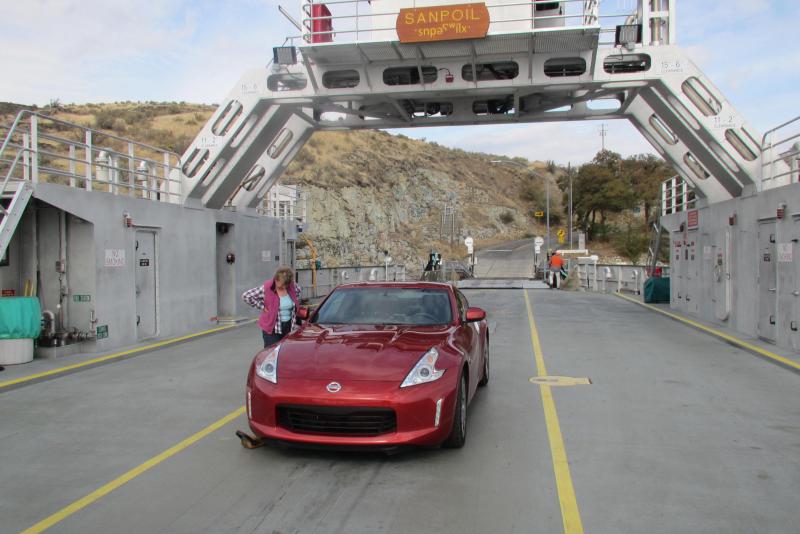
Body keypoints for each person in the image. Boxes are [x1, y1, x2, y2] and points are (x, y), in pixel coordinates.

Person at [242, 266, 302, 347]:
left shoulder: (293, 286)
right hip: (272, 328)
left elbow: (298, 292)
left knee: (286, 352)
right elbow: (246, 296)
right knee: (271, 353)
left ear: (288, 283)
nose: (278, 286)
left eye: (283, 285)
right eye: (277, 281)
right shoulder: (267, 288)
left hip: (289, 326)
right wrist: (262, 306)